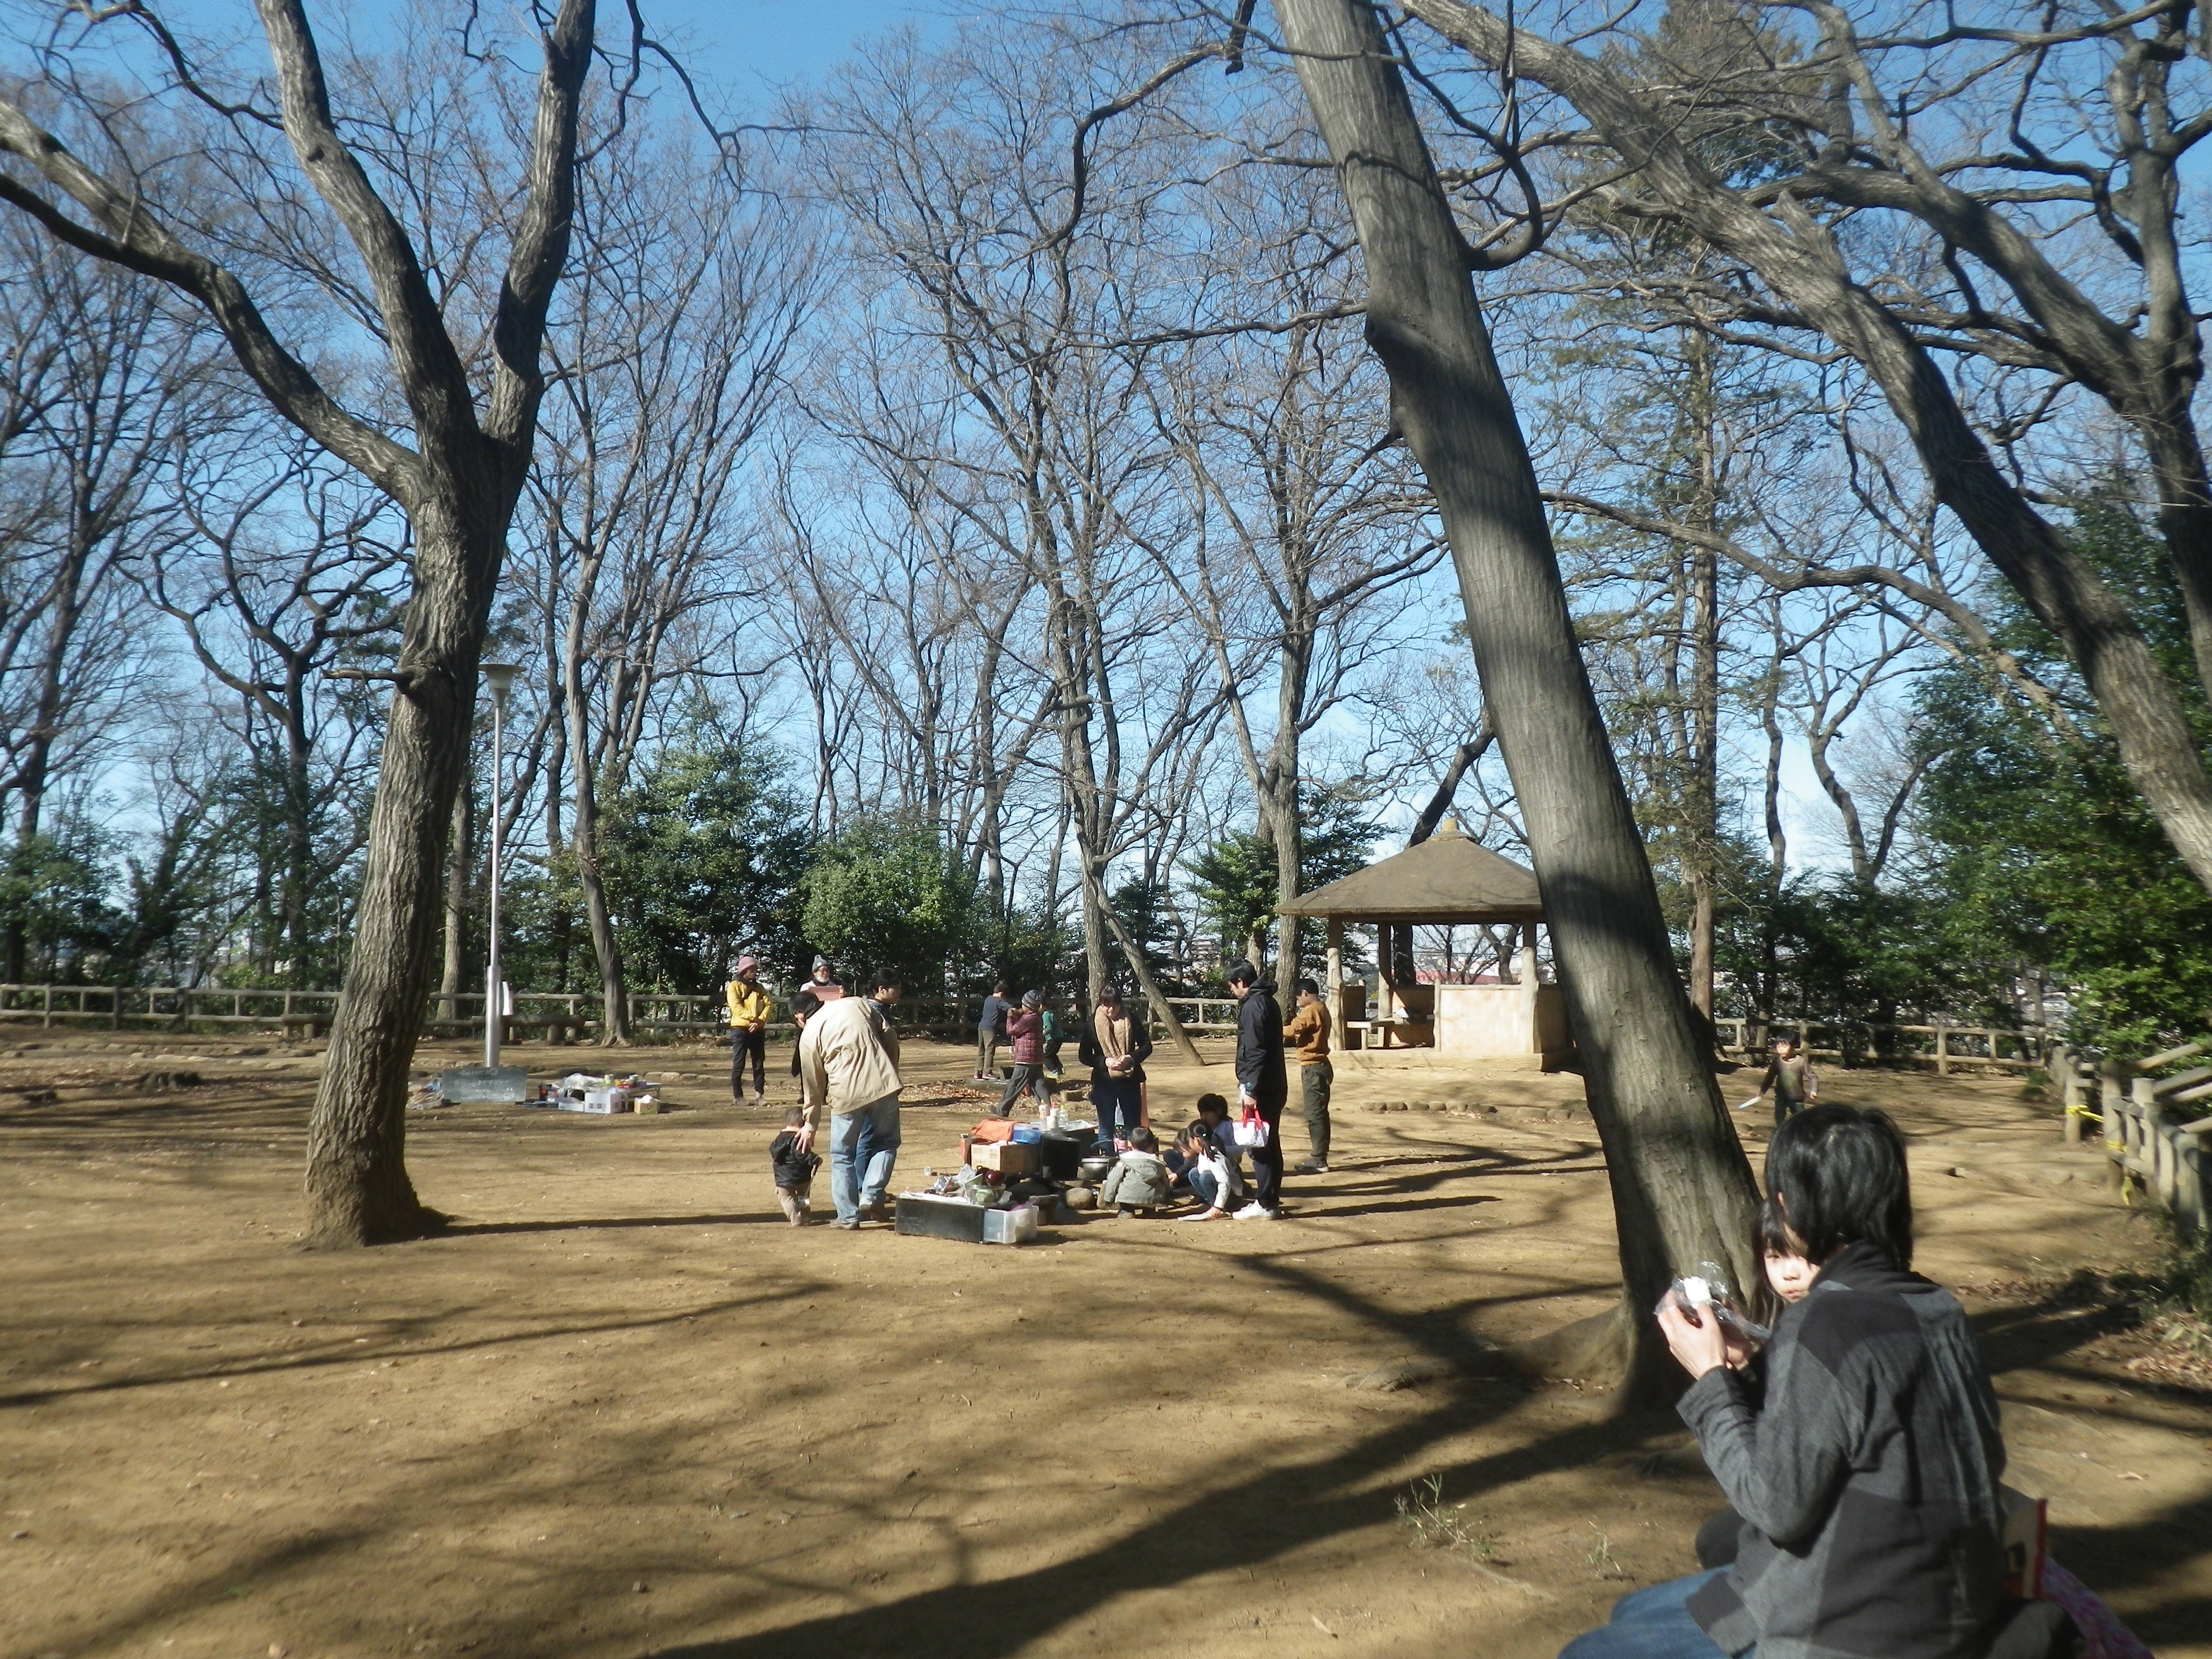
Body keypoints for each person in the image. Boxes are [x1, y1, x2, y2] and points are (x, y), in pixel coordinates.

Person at [1562, 1103, 2009, 1659]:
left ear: (1797, 1202)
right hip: (1947, 1599)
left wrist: (1708, 1376)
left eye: (1780, 1193)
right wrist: (1749, 1368)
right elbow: (1839, 1439)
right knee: (1634, 1611)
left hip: (1857, 1627)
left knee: (1589, 1653)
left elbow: (1773, 1504)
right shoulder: (1936, 1308)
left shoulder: (1829, 1323)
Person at [796, 968, 907, 1230]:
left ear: (799, 1015)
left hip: (845, 1095)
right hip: (883, 1085)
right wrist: (890, 1069)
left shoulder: (809, 1035)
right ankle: (871, 1193)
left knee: (842, 1156)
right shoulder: (856, 1004)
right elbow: (889, 1036)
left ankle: (848, 1216)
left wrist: (810, 1123)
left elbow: (813, 1084)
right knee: (887, 1143)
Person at [1226, 959, 1288, 1219]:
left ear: (1241, 983)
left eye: (1232, 986)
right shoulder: (1268, 1001)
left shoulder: (1253, 1006)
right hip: (1274, 1083)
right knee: (1271, 1142)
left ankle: (1264, 1203)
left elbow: (1254, 1051)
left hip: (1261, 1086)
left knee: (1260, 1144)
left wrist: (1250, 1088)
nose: (1232, 991)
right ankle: (1270, 1199)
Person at [1077, 983, 1152, 1150]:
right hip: (1104, 1082)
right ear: (1100, 1003)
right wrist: (1105, 1062)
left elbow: (1147, 1046)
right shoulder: (1092, 1023)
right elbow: (1084, 1055)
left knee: (1134, 1127)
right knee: (1105, 1128)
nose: (1110, 1009)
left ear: (1120, 1003)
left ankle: (1136, 1162)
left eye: (1114, 1005)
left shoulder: (1131, 1019)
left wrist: (1131, 1058)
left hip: (1130, 1080)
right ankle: (1107, 1163)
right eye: (1106, 1005)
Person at [1283, 976, 1333, 1174]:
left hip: (1314, 1068)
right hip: (1318, 1066)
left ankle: (1319, 1159)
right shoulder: (1322, 1008)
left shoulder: (1312, 1010)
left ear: (1304, 993)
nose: (1298, 1002)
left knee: (1315, 1114)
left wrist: (1270, 1030)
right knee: (1319, 1112)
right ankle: (1320, 1156)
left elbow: (1293, 1029)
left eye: (1298, 998)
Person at [1177, 1101, 1245, 1221]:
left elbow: (1225, 1183)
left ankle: (1220, 1208)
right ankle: (1210, 1203)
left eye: (1189, 1141)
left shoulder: (1216, 1157)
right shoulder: (1203, 1154)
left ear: (1197, 1141)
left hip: (1232, 1195)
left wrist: (1218, 1206)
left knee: (1205, 1178)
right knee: (1194, 1174)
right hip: (1221, 1192)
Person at [787, 957, 845, 1091]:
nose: (825, 973)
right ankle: (805, 1092)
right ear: (815, 973)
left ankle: (823, 1092)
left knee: (825, 1060)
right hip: (808, 1028)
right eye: (822, 971)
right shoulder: (807, 987)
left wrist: (842, 997)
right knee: (807, 1061)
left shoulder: (834, 987)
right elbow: (800, 1007)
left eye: (827, 970)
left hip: (828, 1028)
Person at [1736, 1034, 1819, 1127]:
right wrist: (1762, 1091)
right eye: (1778, 1046)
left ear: (1793, 1047)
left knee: (1800, 1117)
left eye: (1784, 1046)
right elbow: (1770, 1077)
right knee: (1779, 1116)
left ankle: (1801, 1134)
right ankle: (1781, 1132)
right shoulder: (1777, 1061)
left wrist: (1814, 1090)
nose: (1781, 1049)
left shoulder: (1801, 1062)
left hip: (1797, 1098)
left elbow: (1813, 1077)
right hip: (1781, 1096)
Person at [725, 955, 772, 1105]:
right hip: (740, 1029)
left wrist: (760, 1022)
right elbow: (736, 1007)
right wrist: (754, 1018)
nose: (755, 972)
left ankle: (759, 1095)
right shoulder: (734, 986)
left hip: (757, 1029)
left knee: (759, 1063)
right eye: (753, 969)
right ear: (745, 970)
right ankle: (738, 1096)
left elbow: (768, 1005)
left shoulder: (759, 988)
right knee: (739, 1062)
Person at [1099, 1126, 1173, 1216]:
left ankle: (1127, 1212)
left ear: (1130, 1144)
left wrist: (1108, 1199)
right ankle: (1149, 1211)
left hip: (1127, 1198)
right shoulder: (1157, 1164)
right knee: (1154, 1190)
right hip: (1152, 1198)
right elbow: (1165, 1181)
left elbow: (1114, 1180)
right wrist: (1167, 1197)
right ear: (1152, 1146)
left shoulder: (1124, 1161)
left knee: (1124, 1190)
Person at [996, 990, 1048, 1118]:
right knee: (1039, 1085)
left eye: (1023, 1005)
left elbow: (1012, 1030)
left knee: (1014, 1085)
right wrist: (1018, 1014)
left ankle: (1002, 1110)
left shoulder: (1029, 1018)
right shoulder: (1036, 1017)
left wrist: (1010, 1016)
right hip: (1036, 1058)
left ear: (1028, 1006)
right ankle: (1048, 1111)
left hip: (1026, 1058)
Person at [768, 1105, 820, 1226]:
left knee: (786, 1199)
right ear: (801, 1124)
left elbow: (775, 1153)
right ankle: (804, 1215)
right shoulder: (798, 1139)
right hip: (801, 1175)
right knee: (803, 1196)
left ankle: (794, 1217)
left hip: (782, 1178)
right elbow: (801, 1154)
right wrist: (814, 1159)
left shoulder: (778, 1140)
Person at [976, 981, 1012, 1081]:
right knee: (990, 1050)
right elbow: (1010, 1008)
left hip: (981, 1026)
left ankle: (978, 1072)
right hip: (990, 1028)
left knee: (981, 1050)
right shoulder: (998, 1001)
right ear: (1001, 994)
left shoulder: (988, 999)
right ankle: (987, 1072)